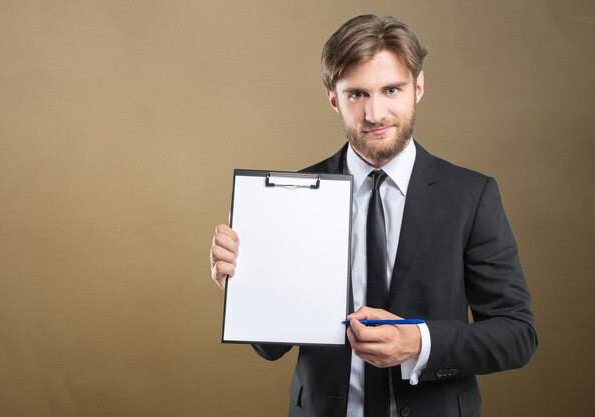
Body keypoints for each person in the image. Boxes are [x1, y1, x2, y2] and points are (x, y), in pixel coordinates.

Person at [210, 14, 537, 417]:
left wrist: (419, 343)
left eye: (391, 90)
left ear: (418, 87)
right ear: (334, 98)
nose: (375, 113)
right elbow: (270, 347)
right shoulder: (291, 199)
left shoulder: (471, 195)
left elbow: (517, 334)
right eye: (357, 94)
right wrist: (246, 285)